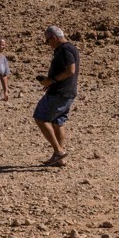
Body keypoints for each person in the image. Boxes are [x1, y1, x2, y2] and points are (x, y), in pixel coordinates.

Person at [34, 25, 80, 167]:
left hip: (60, 92)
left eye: (48, 41)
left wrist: (52, 81)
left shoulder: (64, 49)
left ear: (54, 38)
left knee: (40, 118)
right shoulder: (69, 48)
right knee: (58, 122)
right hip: (66, 91)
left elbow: (70, 70)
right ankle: (60, 159)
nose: (48, 45)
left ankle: (58, 151)